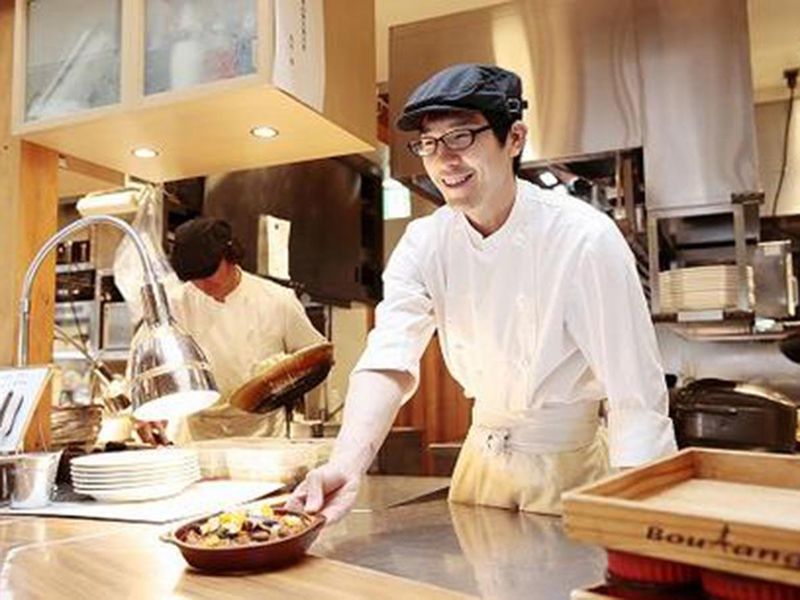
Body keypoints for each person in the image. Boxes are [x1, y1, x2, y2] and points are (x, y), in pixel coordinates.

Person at [287, 63, 677, 522]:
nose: (444, 160)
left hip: (570, 470)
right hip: (480, 470)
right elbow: (388, 358)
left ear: (514, 138)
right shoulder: (425, 242)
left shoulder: (584, 237)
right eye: (429, 143)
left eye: (461, 137)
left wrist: (644, 520)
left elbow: (636, 396)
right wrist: (345, 464)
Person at [136, 217, 326, 444]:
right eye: (195, 280)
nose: (203, 286)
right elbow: (146, 358)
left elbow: (315, 358)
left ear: (230, 256)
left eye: (208, 275)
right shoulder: (175, 304)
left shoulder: (277, 300)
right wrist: (144, 413)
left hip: (264, 438)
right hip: (199, 436)